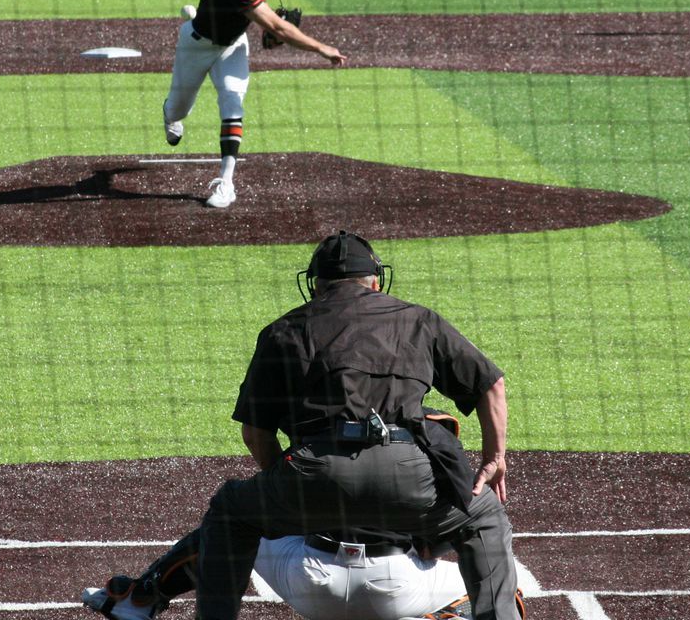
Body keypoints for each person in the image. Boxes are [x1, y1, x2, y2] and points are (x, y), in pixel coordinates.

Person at [189, 231, 520, 620]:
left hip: (315, 471)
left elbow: (255, 432)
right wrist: (495, 457)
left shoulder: (283, 330)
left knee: (230, 512)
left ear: (315, 285)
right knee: (483, 516)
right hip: (409, 476)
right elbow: (491, 385)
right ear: (376, 281)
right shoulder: (418, 319)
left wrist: (290, 489)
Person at [162, 0, 347, 209]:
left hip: (233, 46)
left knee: (233, 104)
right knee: (178, 109)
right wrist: (321, 47)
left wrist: (270, 33)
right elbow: (278, 27)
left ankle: (226, 182)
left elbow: (264, 20)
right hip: (196, 45)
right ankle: (169, 112)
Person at [79, 526, 486, 620]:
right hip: (396, 588)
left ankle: (142, 598)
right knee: (504, 590)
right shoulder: (428, 445)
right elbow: (449, 535)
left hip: (309, 582)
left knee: (232, 524)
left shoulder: (312, 438)